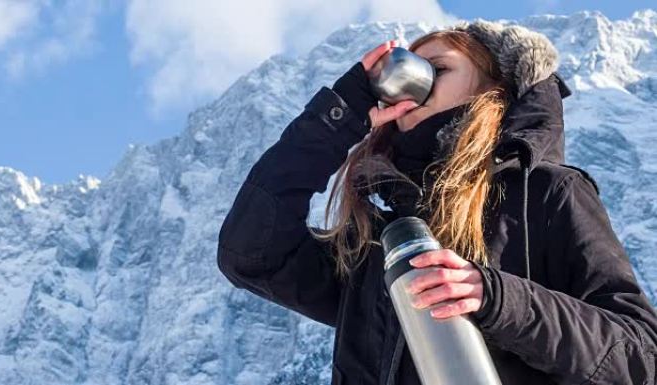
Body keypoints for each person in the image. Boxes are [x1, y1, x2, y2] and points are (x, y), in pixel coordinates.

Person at [217, 19, 657, 385]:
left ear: (493, 88)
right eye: (404, 72)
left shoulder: (545, 193)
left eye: (435, 69)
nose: (407, 85)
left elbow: (641, 356)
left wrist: (500, 300)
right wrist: (339, 118)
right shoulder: (378, 236)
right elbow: (252, 254)